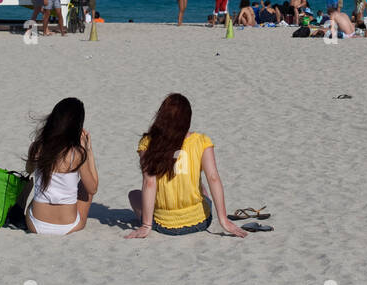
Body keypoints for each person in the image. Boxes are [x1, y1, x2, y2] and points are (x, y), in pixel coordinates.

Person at [125, 93, 247, 238]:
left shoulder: (148, 142)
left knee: (133, 195)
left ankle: (147, 221)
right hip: (200, 221)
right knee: (202, 186)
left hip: (164, 224)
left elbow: (149, 182)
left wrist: (146, 225)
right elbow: (213, 177)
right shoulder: (201, 141)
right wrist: (223, 219)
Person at [25, 97, 99, 236]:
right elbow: (93, 188)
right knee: (86, 186)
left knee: (34, 187)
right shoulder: (76, 154)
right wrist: (88, 151)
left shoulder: (37, 147)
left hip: (35, 225)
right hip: (68, 226)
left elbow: (29, 170)